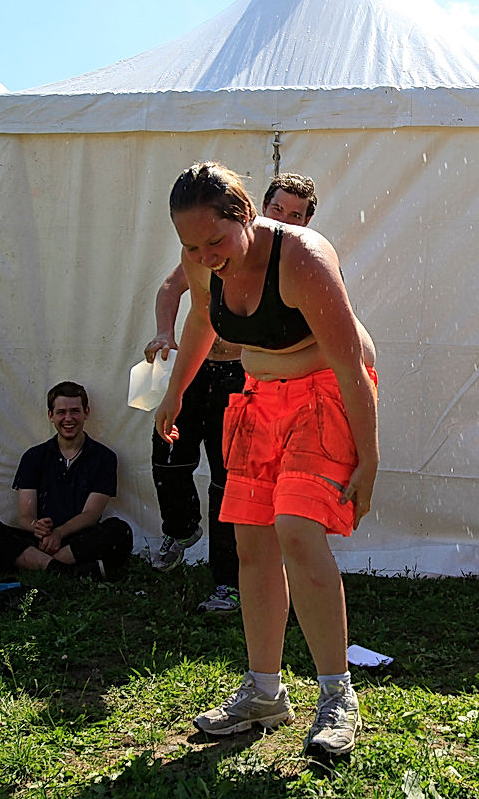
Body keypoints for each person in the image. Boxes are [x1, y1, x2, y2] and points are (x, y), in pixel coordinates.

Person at [156, 162, 378, 759]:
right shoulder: (206, 266)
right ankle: (264, 693)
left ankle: (337, 697)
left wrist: (370, 456)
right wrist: (175, 391)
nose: (204, 256)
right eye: (190, 245)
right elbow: (201, 320)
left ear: (246, 216)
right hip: (260, 399)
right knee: (250, 542)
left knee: (298, 529)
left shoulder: (302, 259)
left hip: (326, 393)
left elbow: (352, 367)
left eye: (214, 241)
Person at [144, 173, 327, 615]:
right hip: (200, 370)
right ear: (257, 207)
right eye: (277, 209)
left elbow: (340, 346)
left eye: (295, 215)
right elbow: (188, 301)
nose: (284, 219)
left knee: (234, 487)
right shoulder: (211, 247)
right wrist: (165, 336)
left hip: (248, 385)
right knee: (167, 456)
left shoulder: (298, 259)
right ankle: (181, 527)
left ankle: (228, 582)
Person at [0, 382, 133, 581]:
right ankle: (66, 572)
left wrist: (59, 534)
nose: (68, 419)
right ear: (50, 415)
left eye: (74, 411)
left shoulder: (104, 457)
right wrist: (37, 526)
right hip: (38, 540)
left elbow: (90, 515)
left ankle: (22, 564)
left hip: (76, 540)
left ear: (86, 413)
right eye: (61, 412)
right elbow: (25, 515)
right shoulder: (34, 456)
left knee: (120, 531)